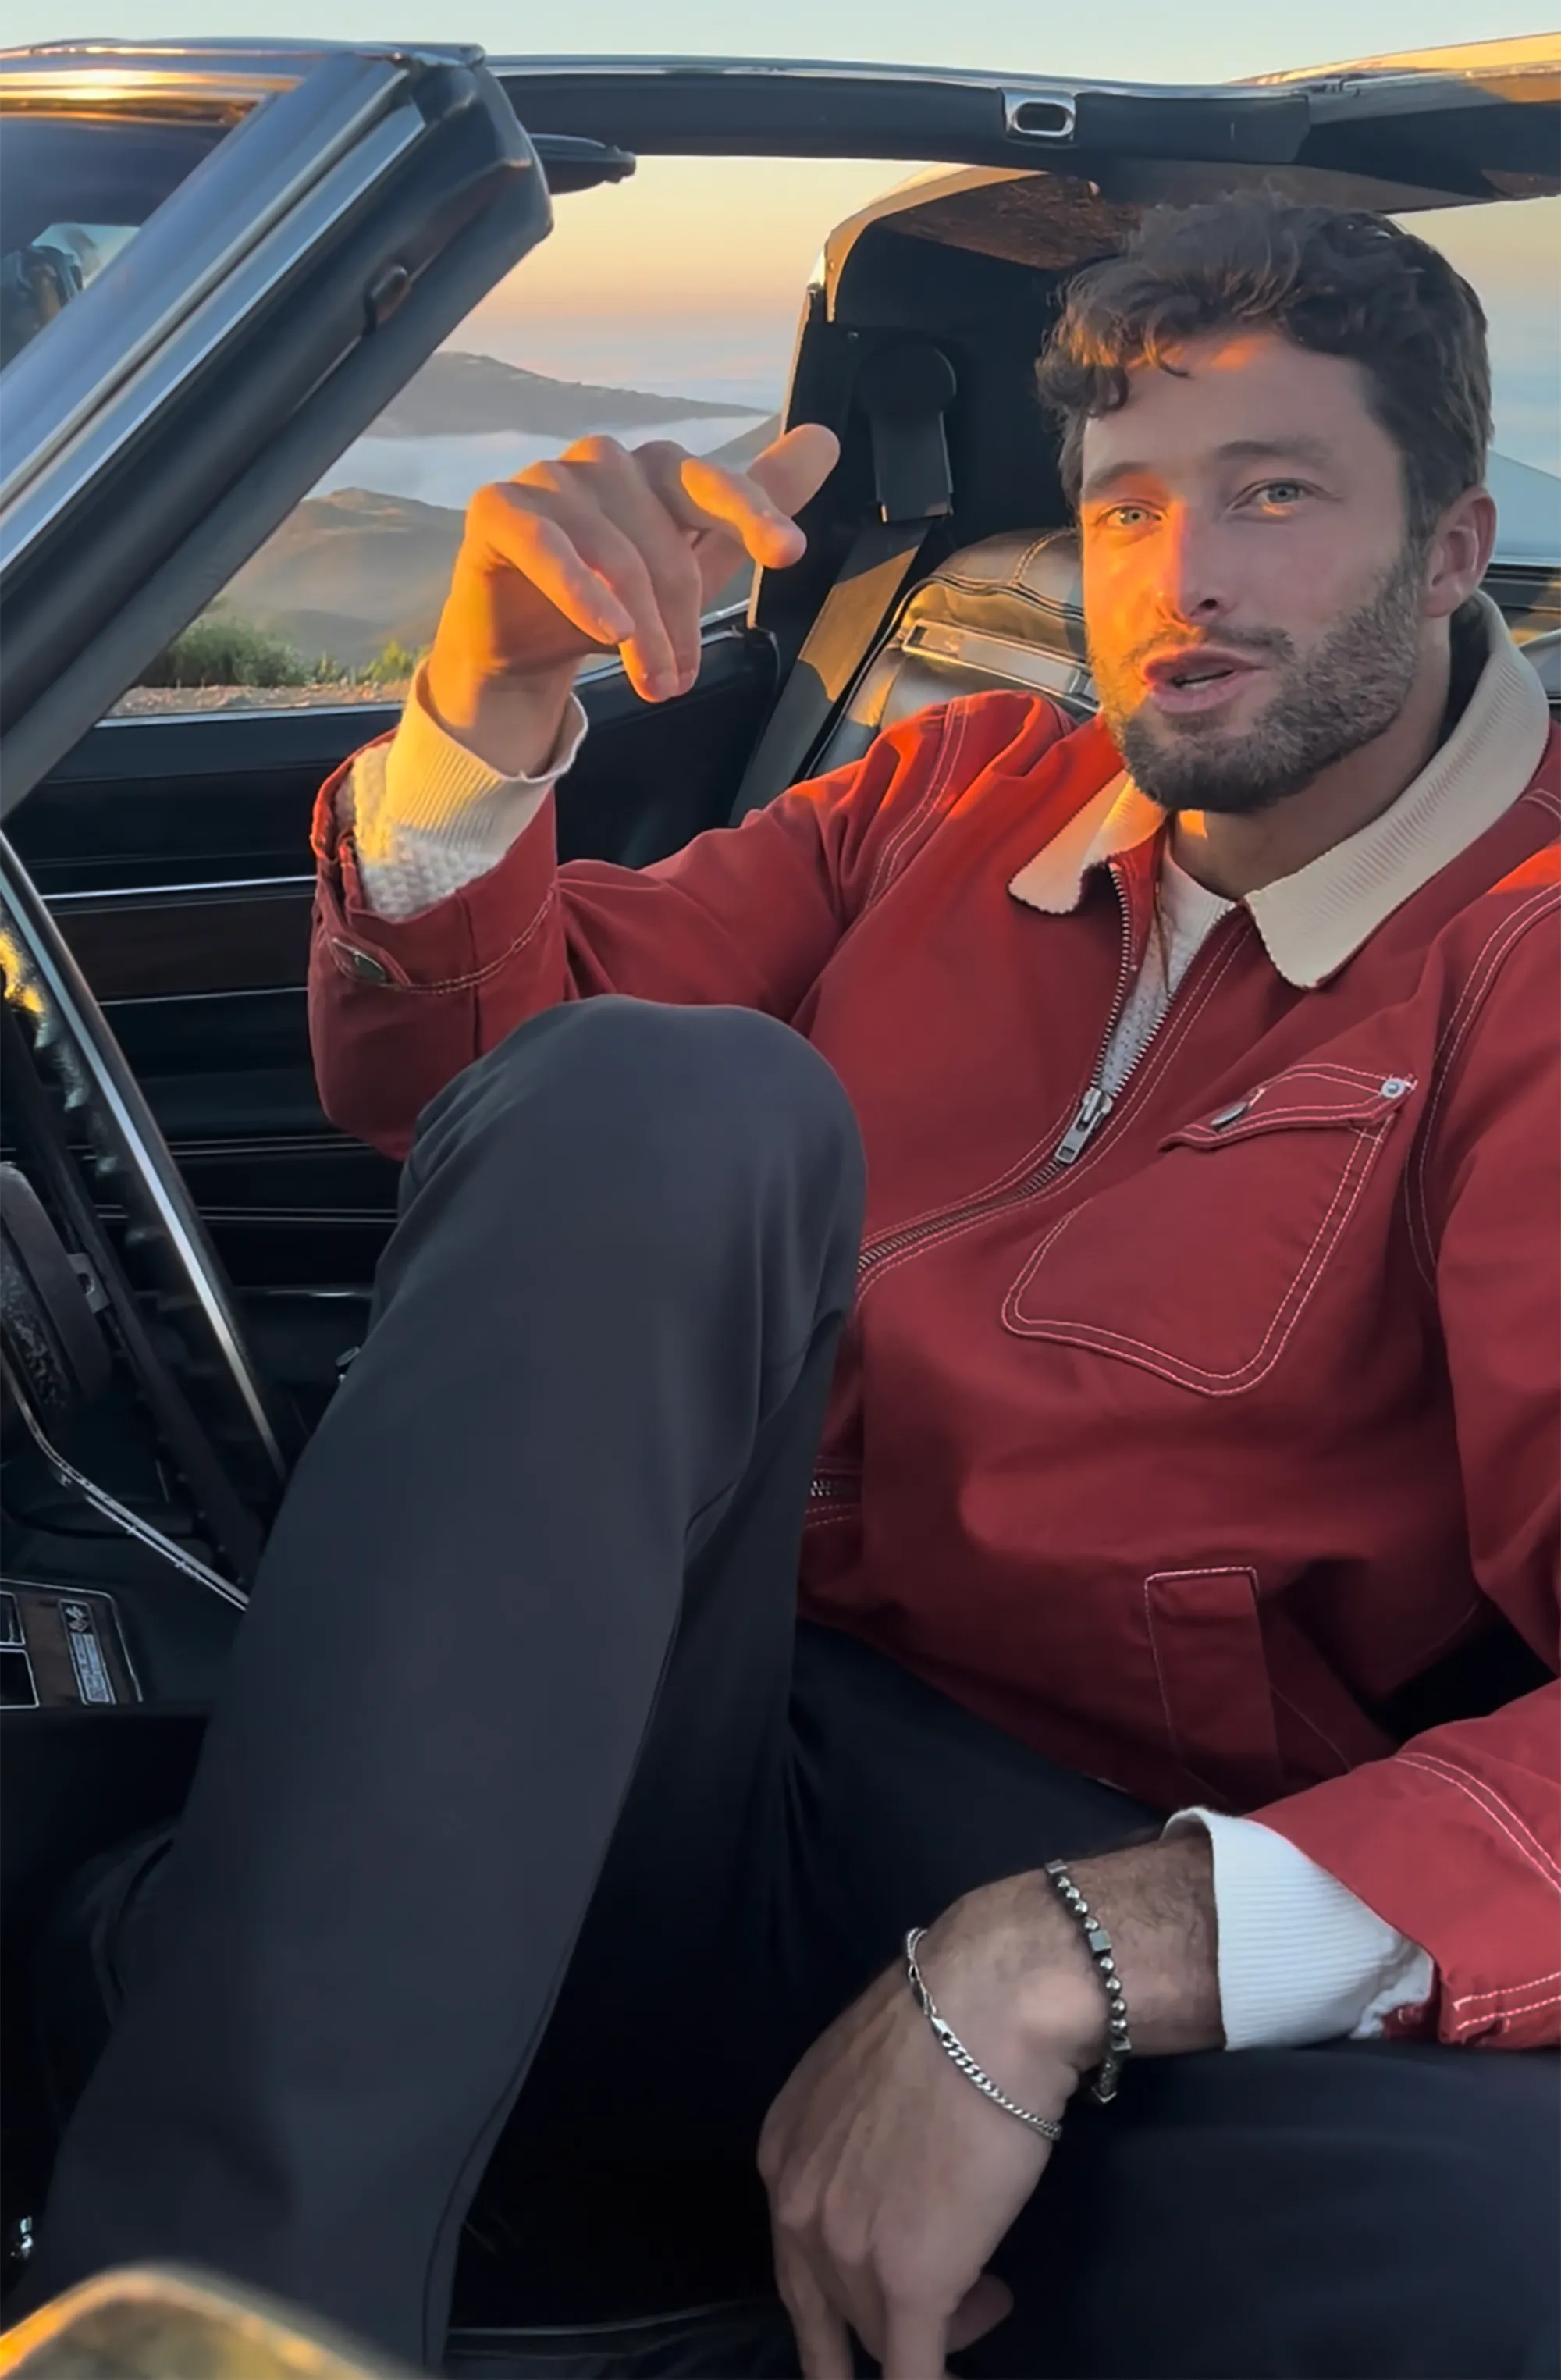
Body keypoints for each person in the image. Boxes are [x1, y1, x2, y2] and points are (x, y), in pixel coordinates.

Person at [33, 195, 1559, 2380]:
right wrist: (489, 691)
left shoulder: (1530, 957)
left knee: (1493, 2249)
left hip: (1122, 1857)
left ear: (1449, 550)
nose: (1181, 583)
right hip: (675, 1738)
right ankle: (218, 2311)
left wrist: (1057, 1963)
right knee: (667, 1098)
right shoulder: (955, 791)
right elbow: (467, 1093)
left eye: (1279, 496)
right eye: (1125, 507)